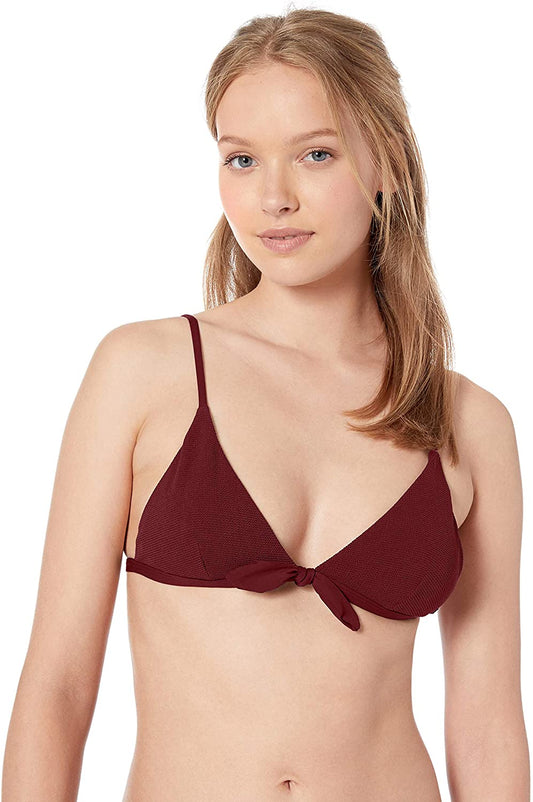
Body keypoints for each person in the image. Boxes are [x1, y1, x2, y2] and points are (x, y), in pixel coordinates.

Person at [2, 8, 529, 802]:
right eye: (241, 159)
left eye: (315, 153)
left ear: (387, 159)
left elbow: (486, 725)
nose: (273, 197)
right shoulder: (144, 372)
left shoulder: (467, 423)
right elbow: (58, 689)